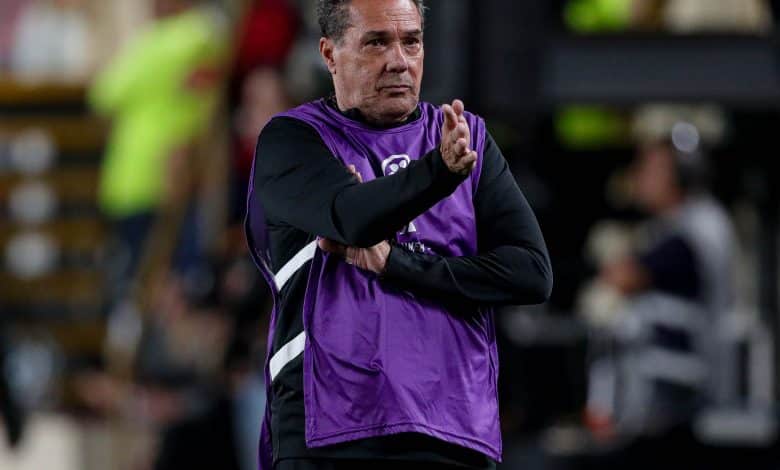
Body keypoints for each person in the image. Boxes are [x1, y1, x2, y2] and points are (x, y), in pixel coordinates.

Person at [245, 1, 553, 469]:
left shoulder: (466, 139)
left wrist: (398, 263)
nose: (399, 61)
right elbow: (353, 217)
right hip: (331, 434)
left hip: (451, 429)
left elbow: (531, 273)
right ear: (329, 54)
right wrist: (440, 172)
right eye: (376, 43)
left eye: (411, 41)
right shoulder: (293, 141)